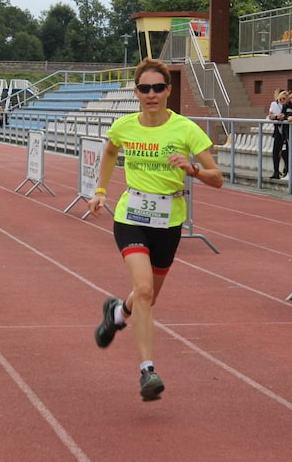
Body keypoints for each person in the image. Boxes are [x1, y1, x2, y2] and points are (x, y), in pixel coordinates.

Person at [88, 57, 223, 401]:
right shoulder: (124, 126)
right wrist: (100, 190)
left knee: (147, 297)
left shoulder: (186, 129)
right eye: (145, 88)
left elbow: (217, 178)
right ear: (136, 92)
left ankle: (117, 313)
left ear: (168, 90)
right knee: (144, 289)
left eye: (158, 88)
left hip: (168, 222)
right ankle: (147, 370)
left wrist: (191, 168)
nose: (151, 94)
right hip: (131, 216)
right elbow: (109, 153)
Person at [267, 89, 289, 179]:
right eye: (281, 98)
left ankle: (286, 170)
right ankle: (276, 171)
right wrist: (276, 117)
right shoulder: (274, 104)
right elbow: (270, 116)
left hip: (287, 131)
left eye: (284, 98)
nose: (282, 100)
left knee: (285, 152)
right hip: (278, 131)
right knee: (276, 151)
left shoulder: (289, 105)